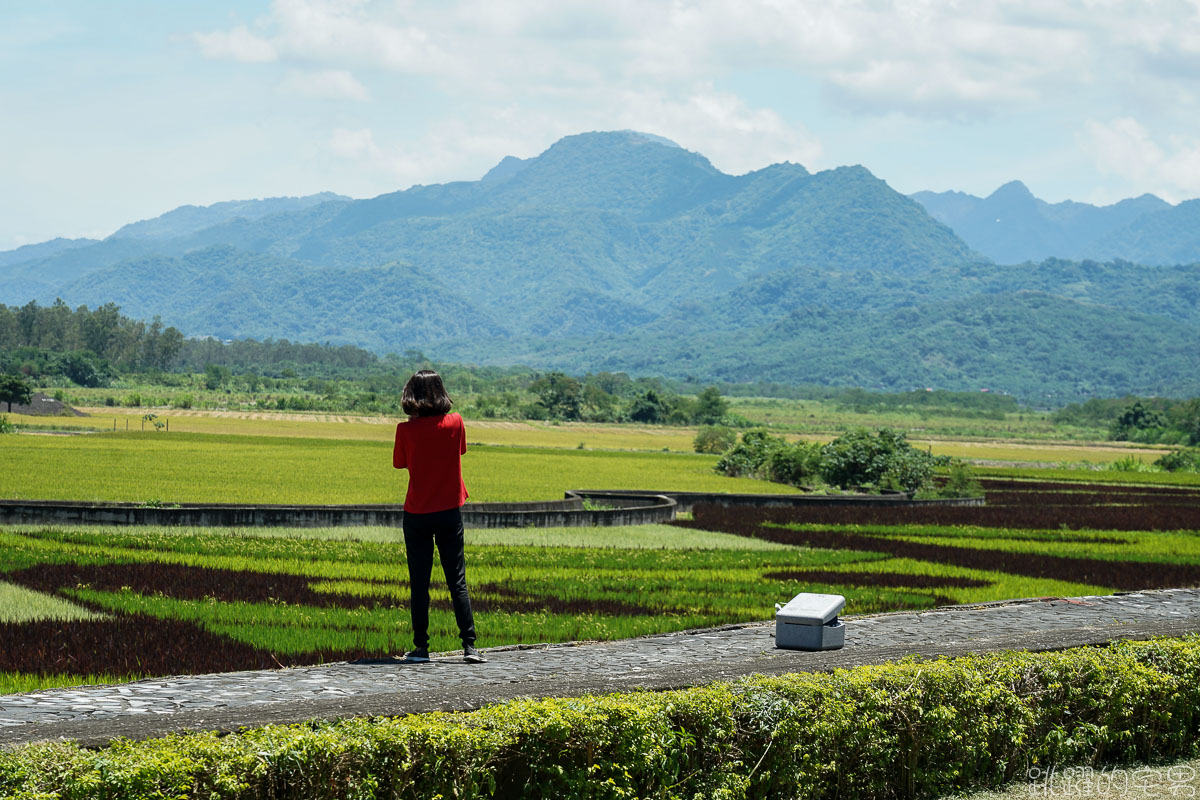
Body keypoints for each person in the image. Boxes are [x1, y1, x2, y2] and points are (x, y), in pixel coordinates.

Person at [393, 369, 485, 664]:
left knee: (419, 582)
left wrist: (413, 426)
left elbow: (400, 463)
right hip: (449, 511)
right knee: (456, 579)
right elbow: (461, 451)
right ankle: (469, 646)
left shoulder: (404, 430)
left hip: (417, 512)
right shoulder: (456, 423)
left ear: (412, 396)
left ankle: (421, 647)